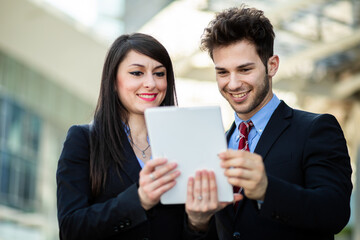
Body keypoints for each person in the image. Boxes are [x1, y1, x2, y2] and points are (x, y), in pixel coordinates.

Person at [185, 5, 353, 240]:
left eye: (244, 69)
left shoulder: (316, 129)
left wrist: (267, 190)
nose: (232, 84)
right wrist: (198, 223)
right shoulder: (218, 144)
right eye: (222, 72)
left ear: (271, 65)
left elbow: (335, 212)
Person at [57, 33, 191, 240]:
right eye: (137, 73)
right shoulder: (84, 140)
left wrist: (200, 222)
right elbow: (70, 229)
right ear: (113, 81)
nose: (151, 83)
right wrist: (139, 200)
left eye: (159, 73)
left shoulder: (184, 143)